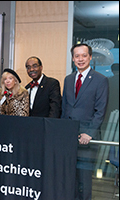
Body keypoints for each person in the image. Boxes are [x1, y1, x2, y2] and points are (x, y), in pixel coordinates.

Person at [61, 43, 108, 200]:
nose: (80, 59)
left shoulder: (100, 80)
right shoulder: (68, 80)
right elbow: (65, 108)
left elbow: (100, 111)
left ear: (90, 57)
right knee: (69, 177)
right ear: (73, 58)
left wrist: (89, 133)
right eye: (76, 56)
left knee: (84, 180)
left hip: (86, 138)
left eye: (83, 55)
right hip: (68, 136)